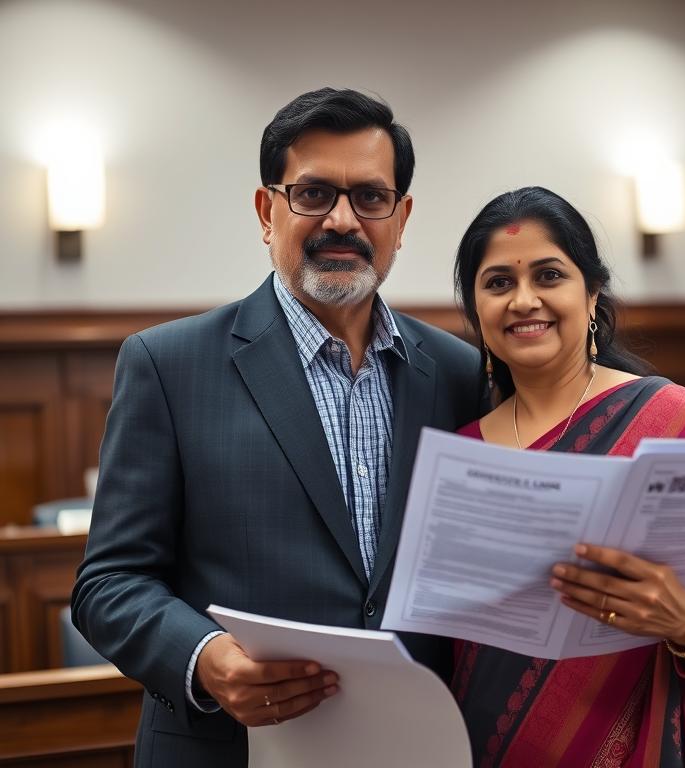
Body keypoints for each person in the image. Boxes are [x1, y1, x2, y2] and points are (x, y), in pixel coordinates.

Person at [71, 88, 485, 767]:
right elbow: (109, 583)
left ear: (401, 217)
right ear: (268, 212)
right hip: (230, 751)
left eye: (371, 197)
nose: (343, 220)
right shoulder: (168, 365)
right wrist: (205, 658)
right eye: (314, 193)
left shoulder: (459, 372)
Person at [450, 186, 685, 767]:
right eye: (498, 283)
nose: (524, 300)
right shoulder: (460, 450)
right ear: (476, 310)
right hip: (477, 746)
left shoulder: (678, 429)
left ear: (592, 295)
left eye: (549, 275)